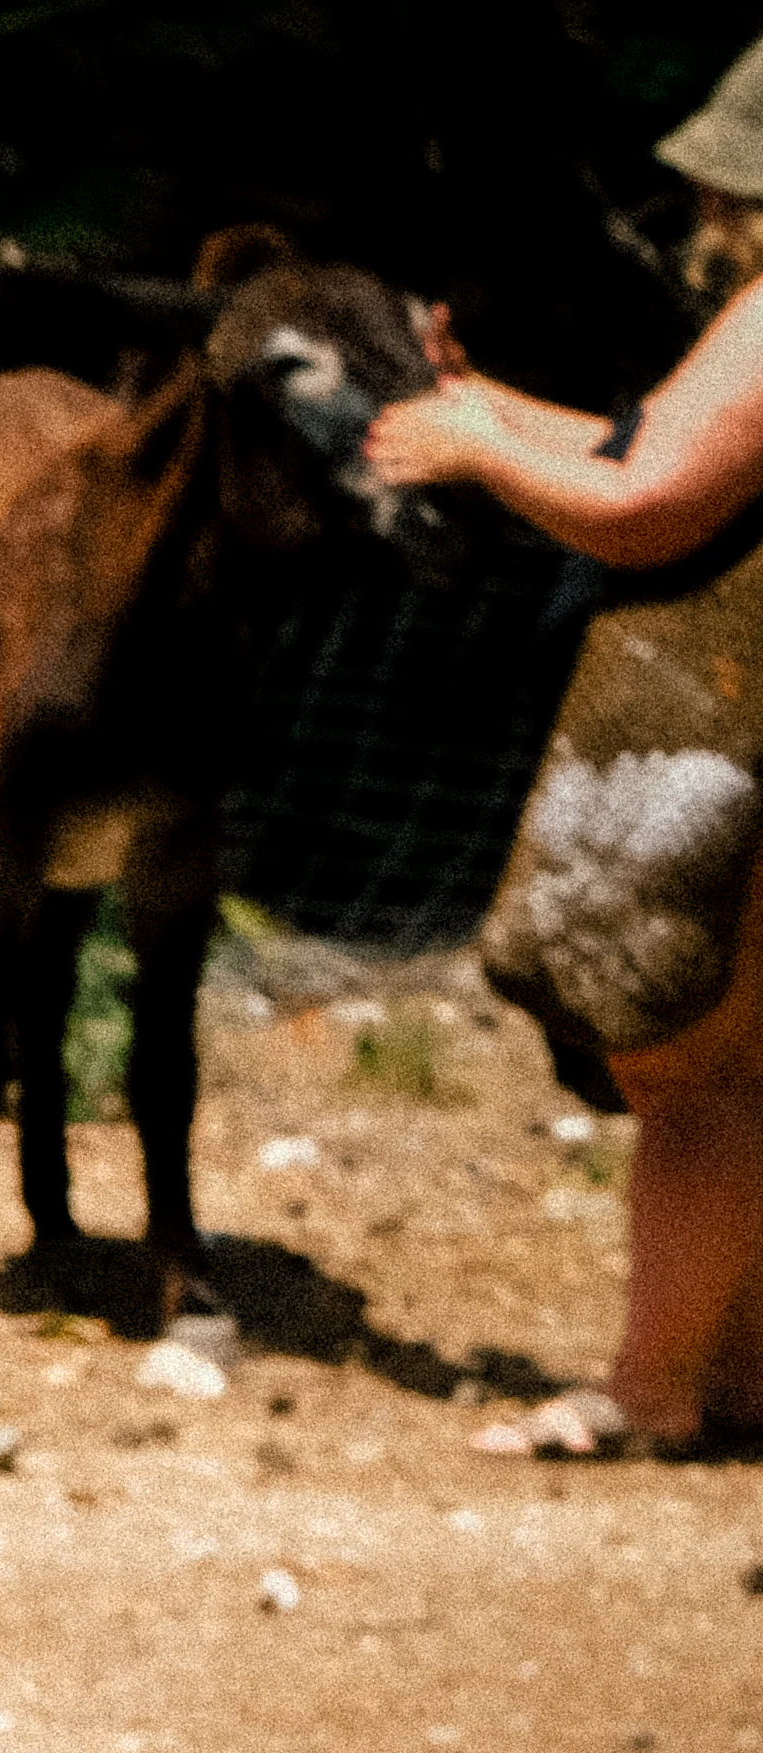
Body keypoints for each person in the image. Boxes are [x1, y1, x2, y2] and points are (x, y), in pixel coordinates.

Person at [367, 51, 763, 1455]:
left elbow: (644, 502)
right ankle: (736, 1373)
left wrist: (479, 450)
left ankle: (652, 1387)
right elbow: (652, 445)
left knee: (698, 1076)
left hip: (737, 741)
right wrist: (498, 411)